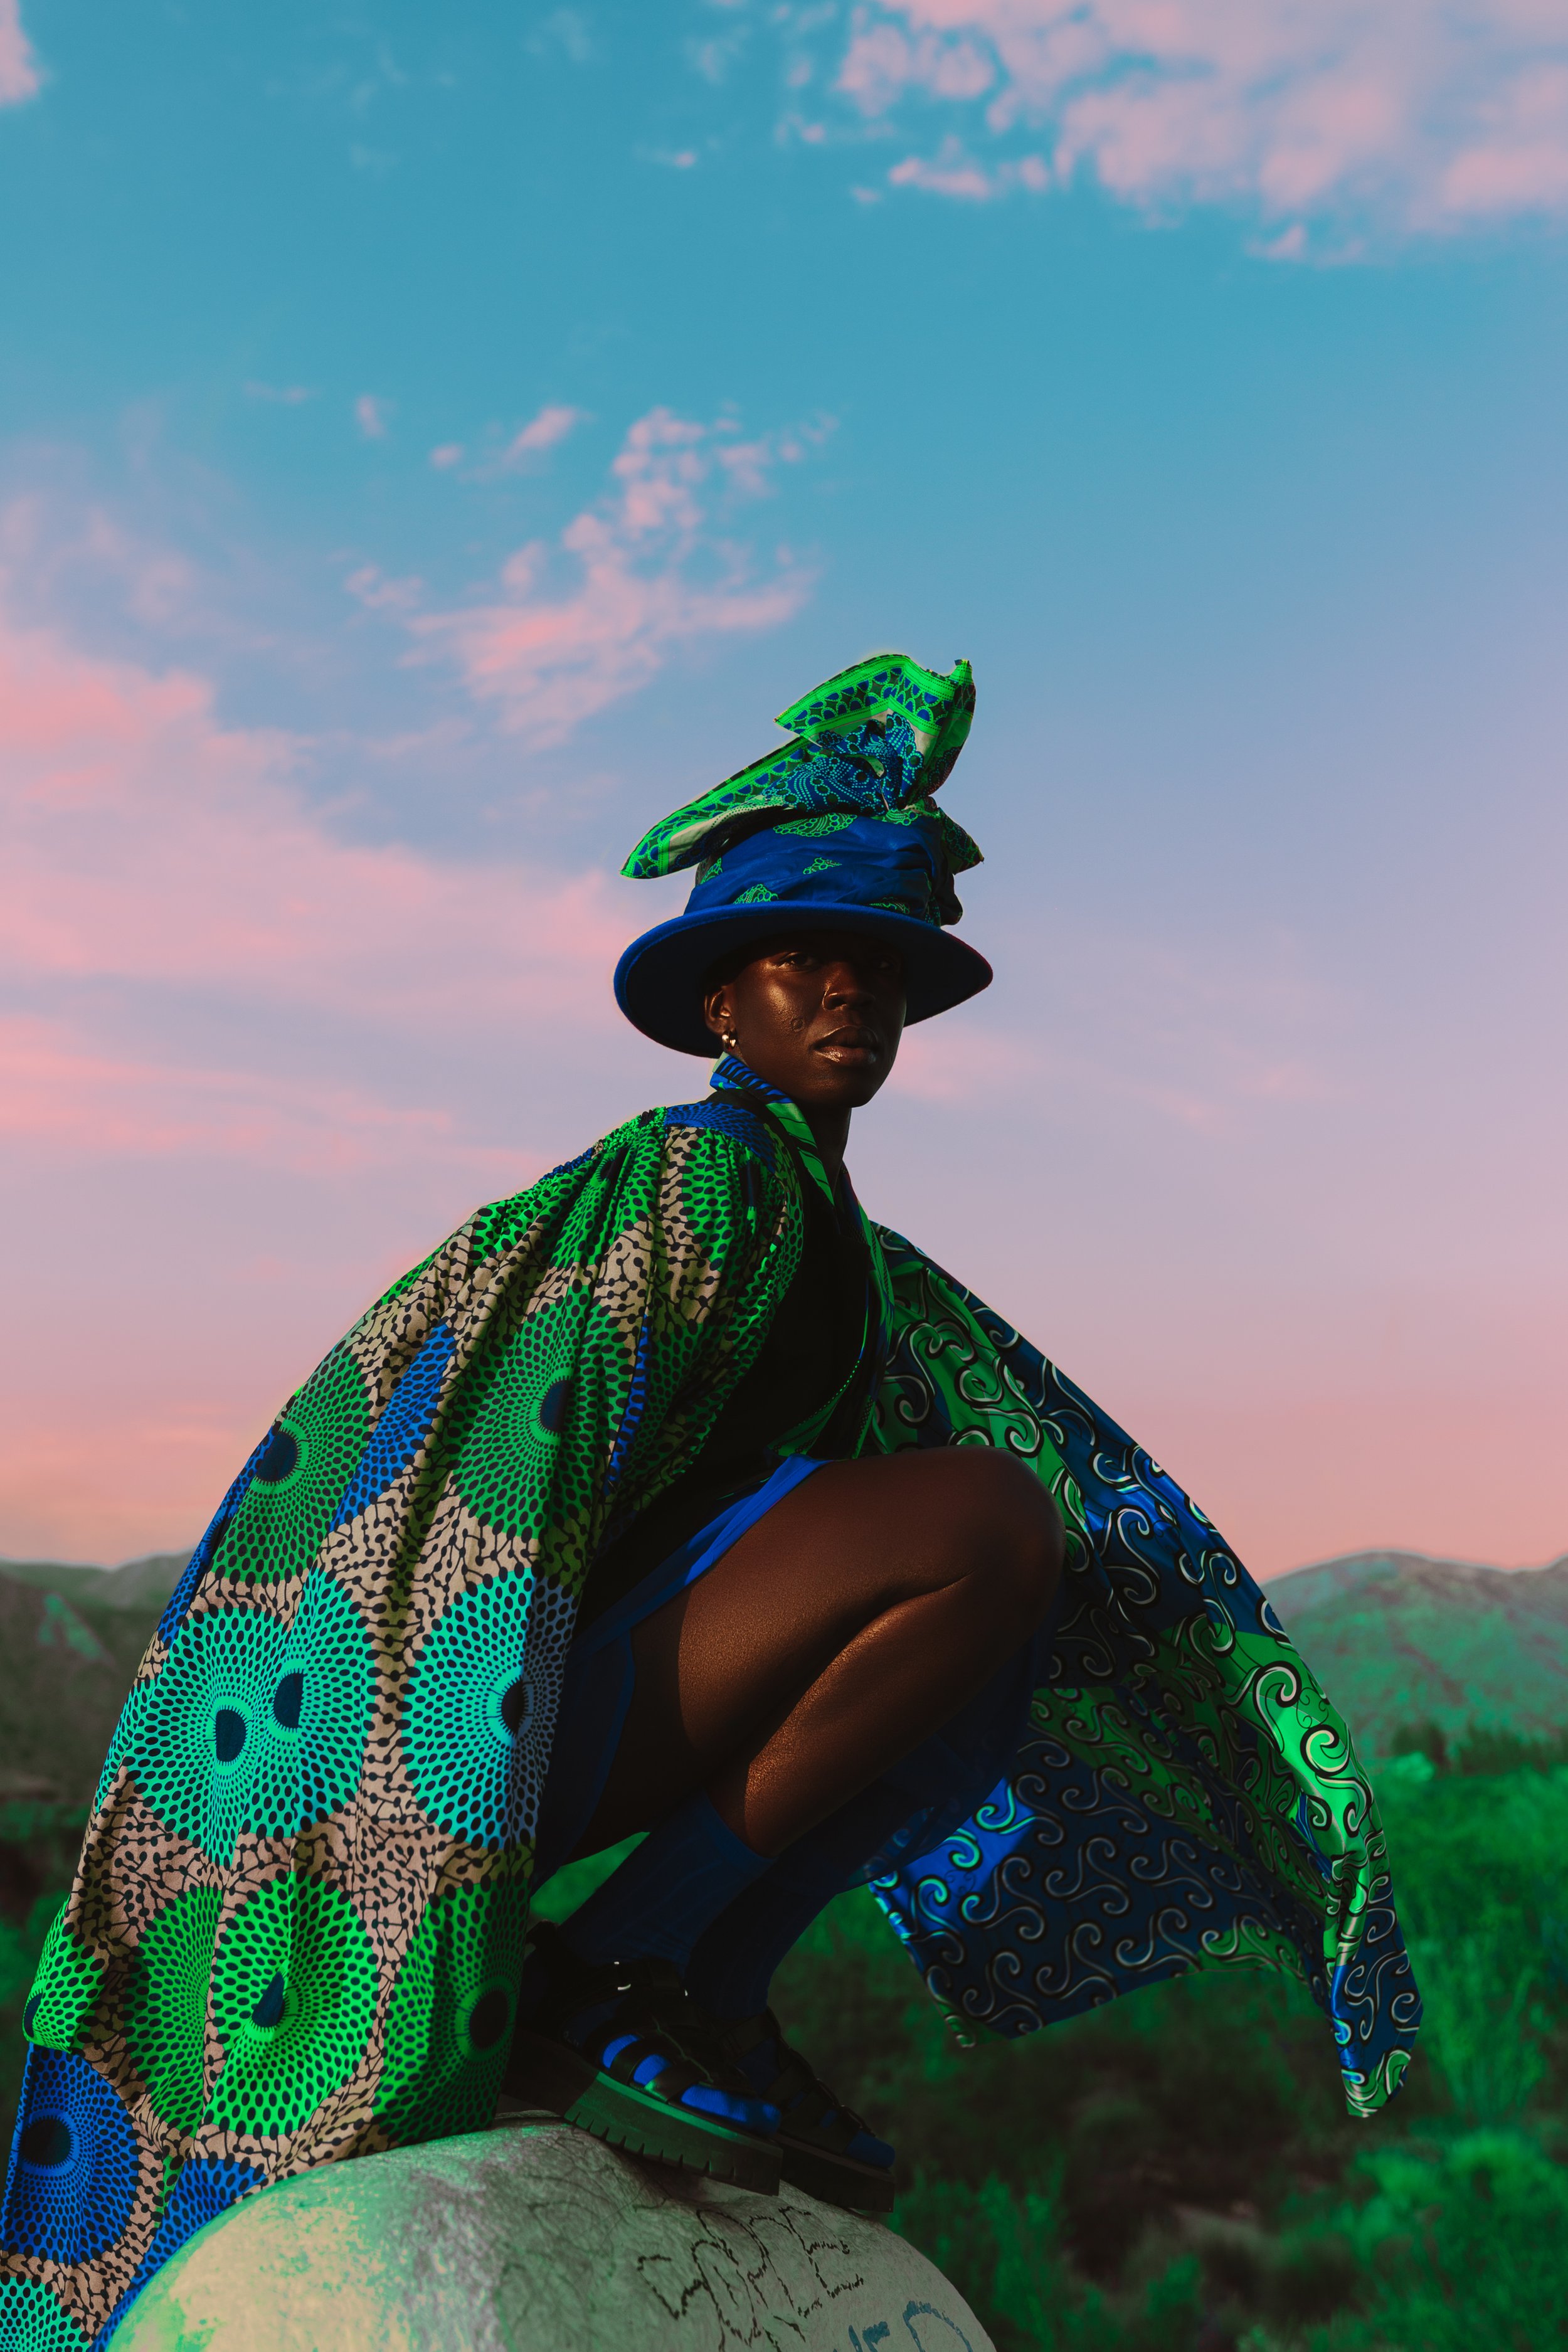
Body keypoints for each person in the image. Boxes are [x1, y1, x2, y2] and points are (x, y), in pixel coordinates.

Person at [3, 655, 1418, 2345]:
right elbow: (498, 1485)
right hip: (496, 1693)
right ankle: (620, 1970)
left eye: (880, 968)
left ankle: (695, 1993)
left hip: (640, 1666)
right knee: (978, 1529)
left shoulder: (841, 1248)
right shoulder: (694, 1178)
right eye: (802, 960)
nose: (850, 996)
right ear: (720, 1002)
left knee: (996, 1597)